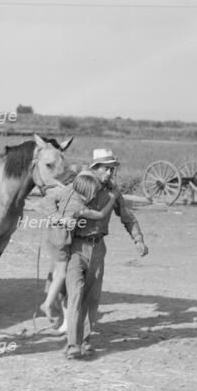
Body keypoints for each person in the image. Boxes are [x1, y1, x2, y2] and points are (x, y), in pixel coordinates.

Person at [64, 149, 149, 360]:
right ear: (95, 169)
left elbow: (127, 216)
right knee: (76, 294)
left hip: (98, 247)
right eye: (106, 169)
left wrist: (138, 239)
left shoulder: (114, 192)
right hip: (76, 247)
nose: (110, 173)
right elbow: (64, 211)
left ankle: (85, 340)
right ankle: (72, 344)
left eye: (112, 169)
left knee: (91, 298)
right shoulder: (79, 187)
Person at [40, 171, 117, 321]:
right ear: (87, 193)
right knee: (62, 272)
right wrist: (111, 201)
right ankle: (47, 303)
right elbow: (100, 215)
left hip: (50, 236)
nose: (95, 196)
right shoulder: (79, 208)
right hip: (61, 240)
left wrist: (56, 216)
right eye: (93, 193)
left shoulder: (66, 193)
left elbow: (45, 201)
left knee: (58, 268)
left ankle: (53, 299)